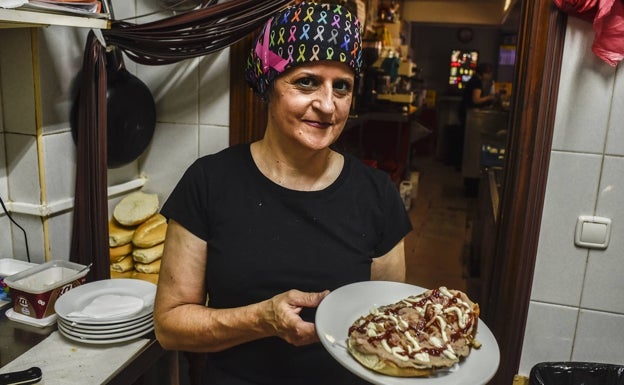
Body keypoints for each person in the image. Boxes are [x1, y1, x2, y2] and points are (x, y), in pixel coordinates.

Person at [153, 2, 413, 385]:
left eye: (342, 86)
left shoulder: (376, 195)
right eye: (306, 80)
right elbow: (170, 326)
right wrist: (261, 320)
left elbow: (391, 323)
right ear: (267, 83)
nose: (327, 105)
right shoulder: (210, 182)